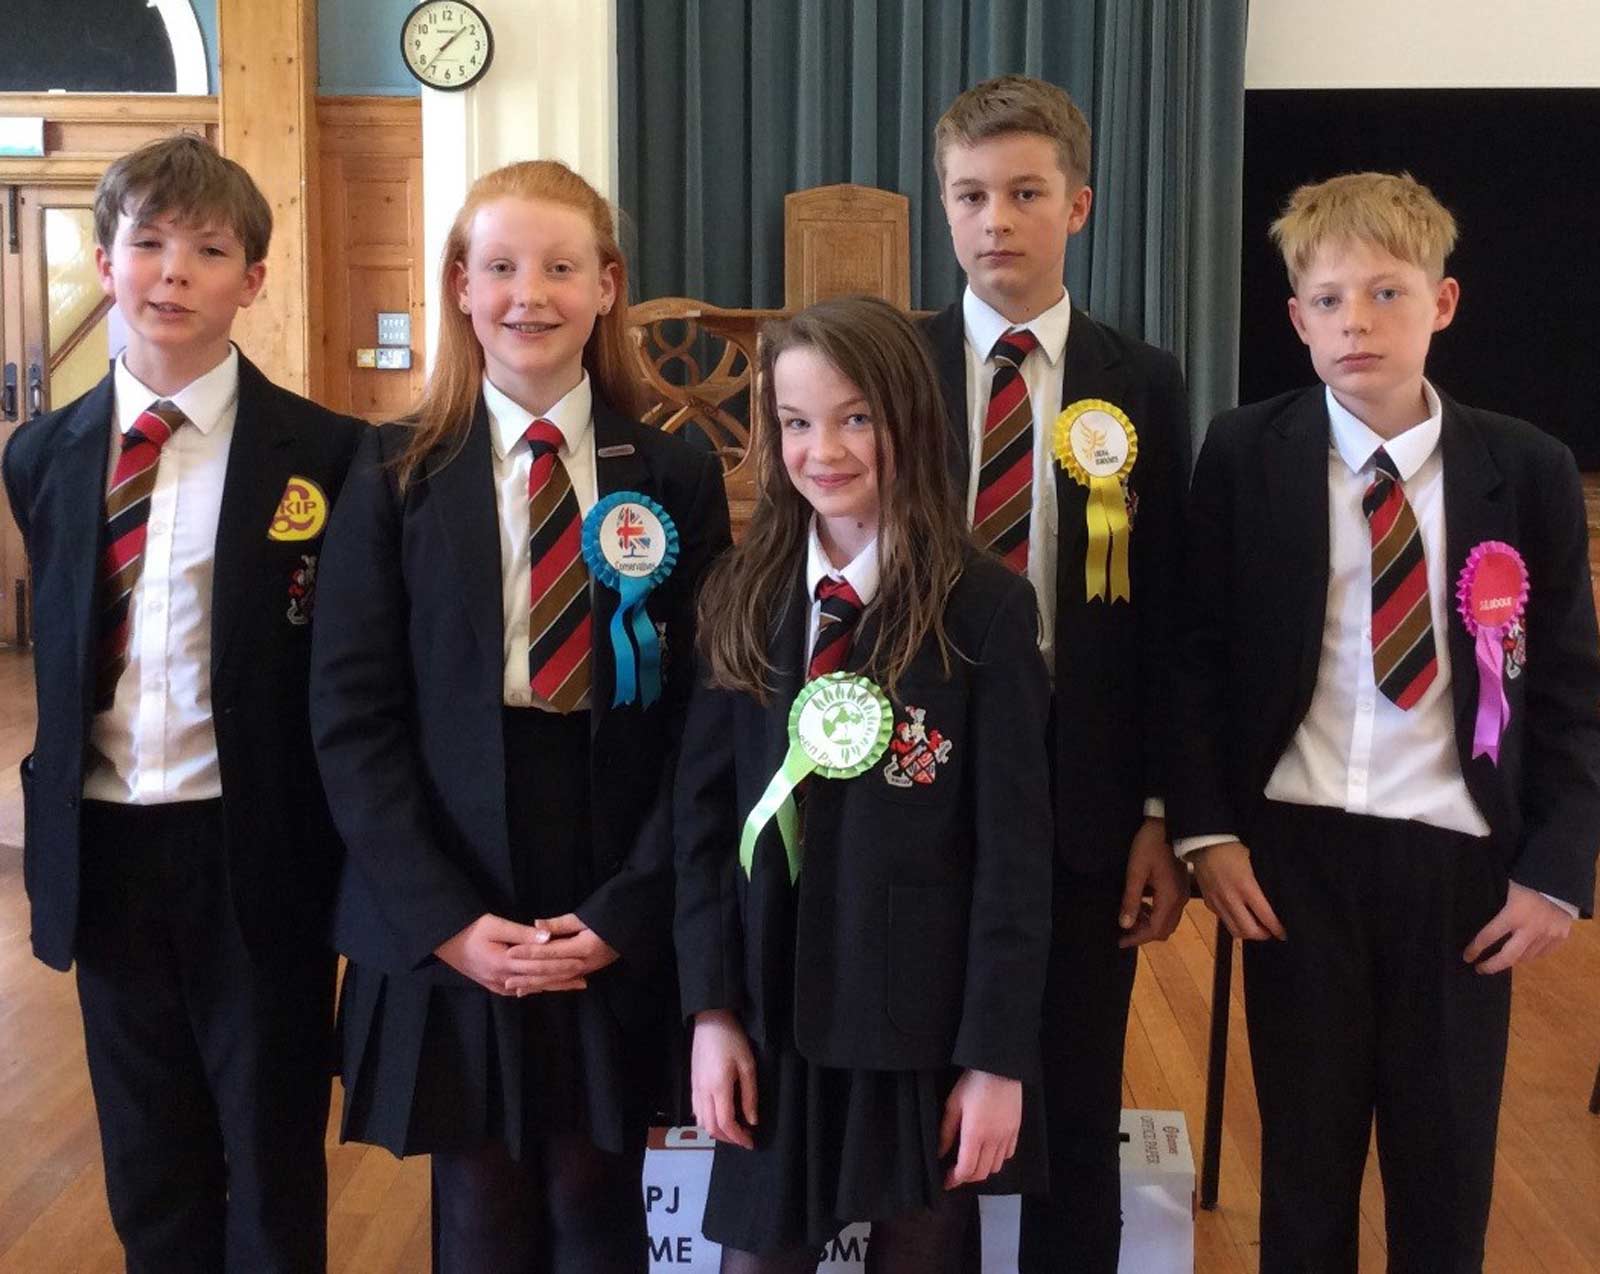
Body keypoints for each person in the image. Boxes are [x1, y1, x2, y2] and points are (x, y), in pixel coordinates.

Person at [1171, 170, 1600, 1270]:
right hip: (1295, 863)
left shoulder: (1530, 469)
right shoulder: (1243, 454)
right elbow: (1198, 658)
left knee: (1443, 1174)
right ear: (1293, 319)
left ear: (1442, 303)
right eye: (1326, 299)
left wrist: (1555, 869)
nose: (1353, 321)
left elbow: (1565, 687)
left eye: (1385, 293)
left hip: (1461, 869)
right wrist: (1206, 830)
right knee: (1303, 1177)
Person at [309, 158, 731, 1272]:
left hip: (610, 865)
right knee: (482, 1201)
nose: (527, 293)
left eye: (559, 265)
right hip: (454, 862)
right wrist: (443, 917)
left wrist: (631, 906)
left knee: (600, 1197)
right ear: (458, 284)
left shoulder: (676, 468)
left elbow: (705, 715)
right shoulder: (395, 467)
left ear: (607, 286)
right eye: (498, 265)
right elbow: (352, 713)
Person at [1, 133, 363, 1272]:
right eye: (146, 243)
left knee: (270, 1150)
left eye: (207, 250)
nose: (172, 272)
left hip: (254, 849)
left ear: (250, 280)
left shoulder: (331, 455)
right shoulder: (43, 453)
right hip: (105, 847)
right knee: (147, 1155)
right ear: (104, 262)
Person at [675, 295, 1053, 1273]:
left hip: (920, 1029)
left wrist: (995, 1055)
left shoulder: (985, 609)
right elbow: (703, 827)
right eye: (796, 422)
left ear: (909, 421)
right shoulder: (740, 597)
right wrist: (711, 1011)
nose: (823, 450)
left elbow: (1014, 857)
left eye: (853, 417)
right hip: (768, 1019)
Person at [920, 74, 1191, 1271]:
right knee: (931, 1107)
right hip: (917, 792)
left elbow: (1168, 623)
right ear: (943, 203)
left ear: (1077, 205)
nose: (996, 222)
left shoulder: (1144, 380)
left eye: (1025, 193)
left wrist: (1156, 814)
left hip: (1082, 803)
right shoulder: (892, 366)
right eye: (971, 195)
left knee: (1074, 1109)